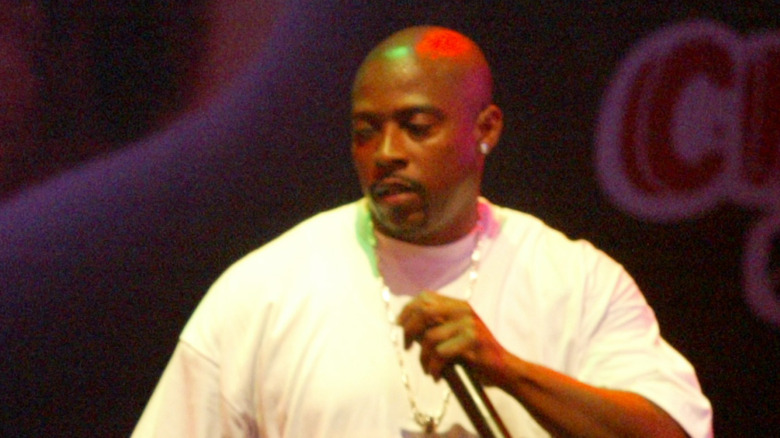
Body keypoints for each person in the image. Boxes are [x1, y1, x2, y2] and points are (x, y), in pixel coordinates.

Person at [133, 26, 713, 437]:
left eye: (416, 127)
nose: (387, 153)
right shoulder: (264, 290)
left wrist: (509, 371)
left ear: (484, 129)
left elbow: (673, 431)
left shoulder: (576, 282)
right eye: (366, 131)